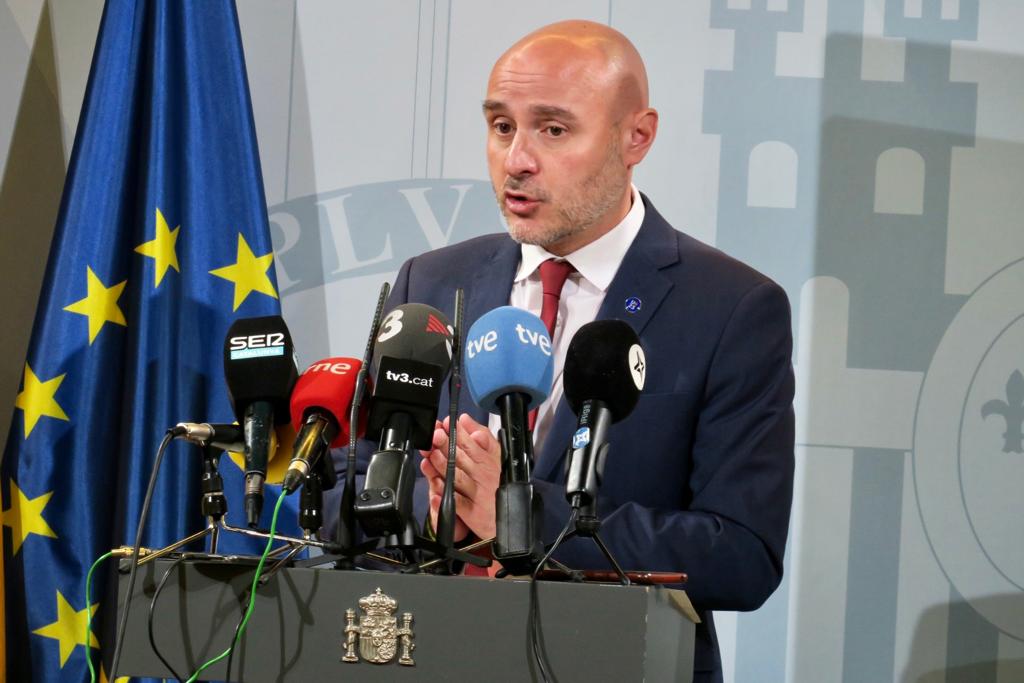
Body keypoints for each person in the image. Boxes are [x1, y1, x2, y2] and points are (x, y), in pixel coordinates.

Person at [359, 20, 794, 681]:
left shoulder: (732, 308)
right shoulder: (432, 281)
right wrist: (443, 507)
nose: (517, 159)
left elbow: (740, 552)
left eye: (553, 130)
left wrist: (522, 518)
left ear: (636, 137)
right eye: (501, 126)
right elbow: (356, 479)